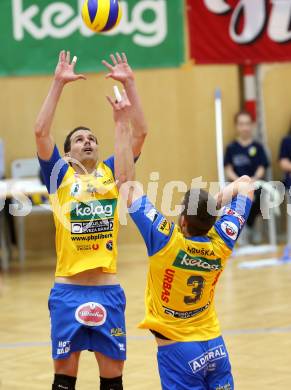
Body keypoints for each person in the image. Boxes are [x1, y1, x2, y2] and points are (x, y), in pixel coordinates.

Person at [107, 92, 254, 389]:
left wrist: (121, 124)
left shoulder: (165, 240)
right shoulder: (222, 239)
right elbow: (247, 184)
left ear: (183, 221)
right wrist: (213, 205)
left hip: (177, 350)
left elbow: (124, 182)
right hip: (214, 345)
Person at [35, 50, 147, 390]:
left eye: (93, 139)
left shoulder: (111, 172)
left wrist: (130, 84)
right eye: (80, 139)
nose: (88, 142)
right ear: (67, 153)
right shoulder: (60, 176)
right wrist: (57, 83)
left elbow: (140, 134)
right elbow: (41, 132)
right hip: (67, 291)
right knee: (63, 382)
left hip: (107, 290)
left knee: (113, 384)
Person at [224, 110, 269, 244]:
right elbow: (228, 169)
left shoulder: (258, 147)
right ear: (236, 126)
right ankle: (242, 228)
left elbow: (262, 167)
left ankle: (252, 226)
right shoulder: (231, 148)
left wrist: (253, 180)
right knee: (239, 197)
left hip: (256, 183)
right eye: (241, 124)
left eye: (247, 124)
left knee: (260, 194)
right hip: (237, 184)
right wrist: (241, 182)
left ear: (252, 125)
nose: (245, 127)